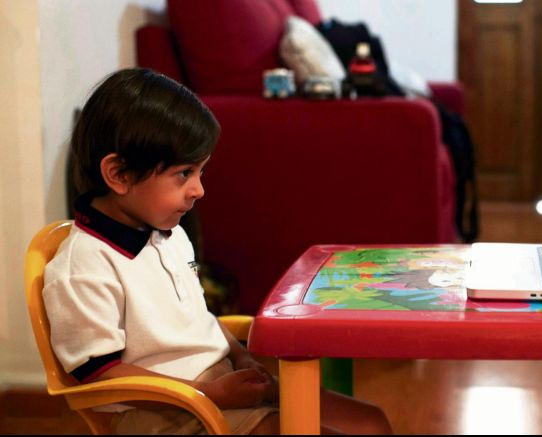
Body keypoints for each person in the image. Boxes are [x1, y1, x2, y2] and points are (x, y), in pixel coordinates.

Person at [43, 68, 393, 435]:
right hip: (158, 411)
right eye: (184, 174)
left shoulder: (169, 233)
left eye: (201, 173)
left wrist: (239, 354)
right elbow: (98, 373)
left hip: (217, 385)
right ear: (118, 174)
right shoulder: (82, 266)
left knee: (370, 424)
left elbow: (199, 315)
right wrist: (206, 393)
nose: (198, 190)